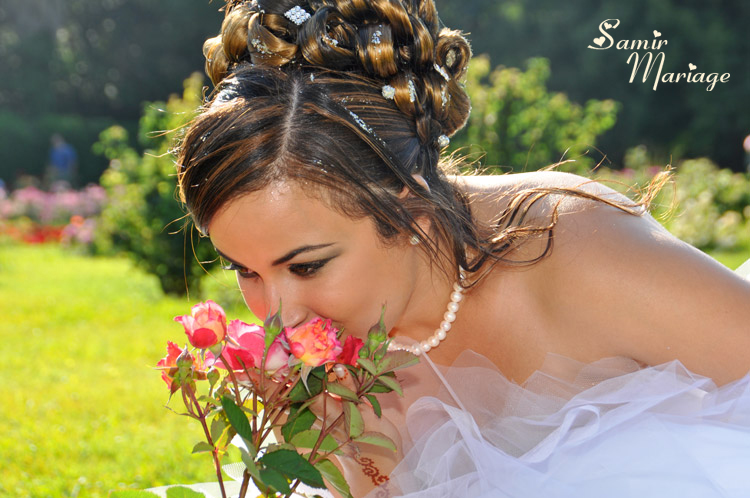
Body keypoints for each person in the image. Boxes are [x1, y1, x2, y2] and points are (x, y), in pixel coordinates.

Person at [174, 0, 750, 496]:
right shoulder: (322, 382)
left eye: (306, 265)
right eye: (242, 269)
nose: (277, 317)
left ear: (410, 208)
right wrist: (356, 457)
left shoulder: (574, 251)